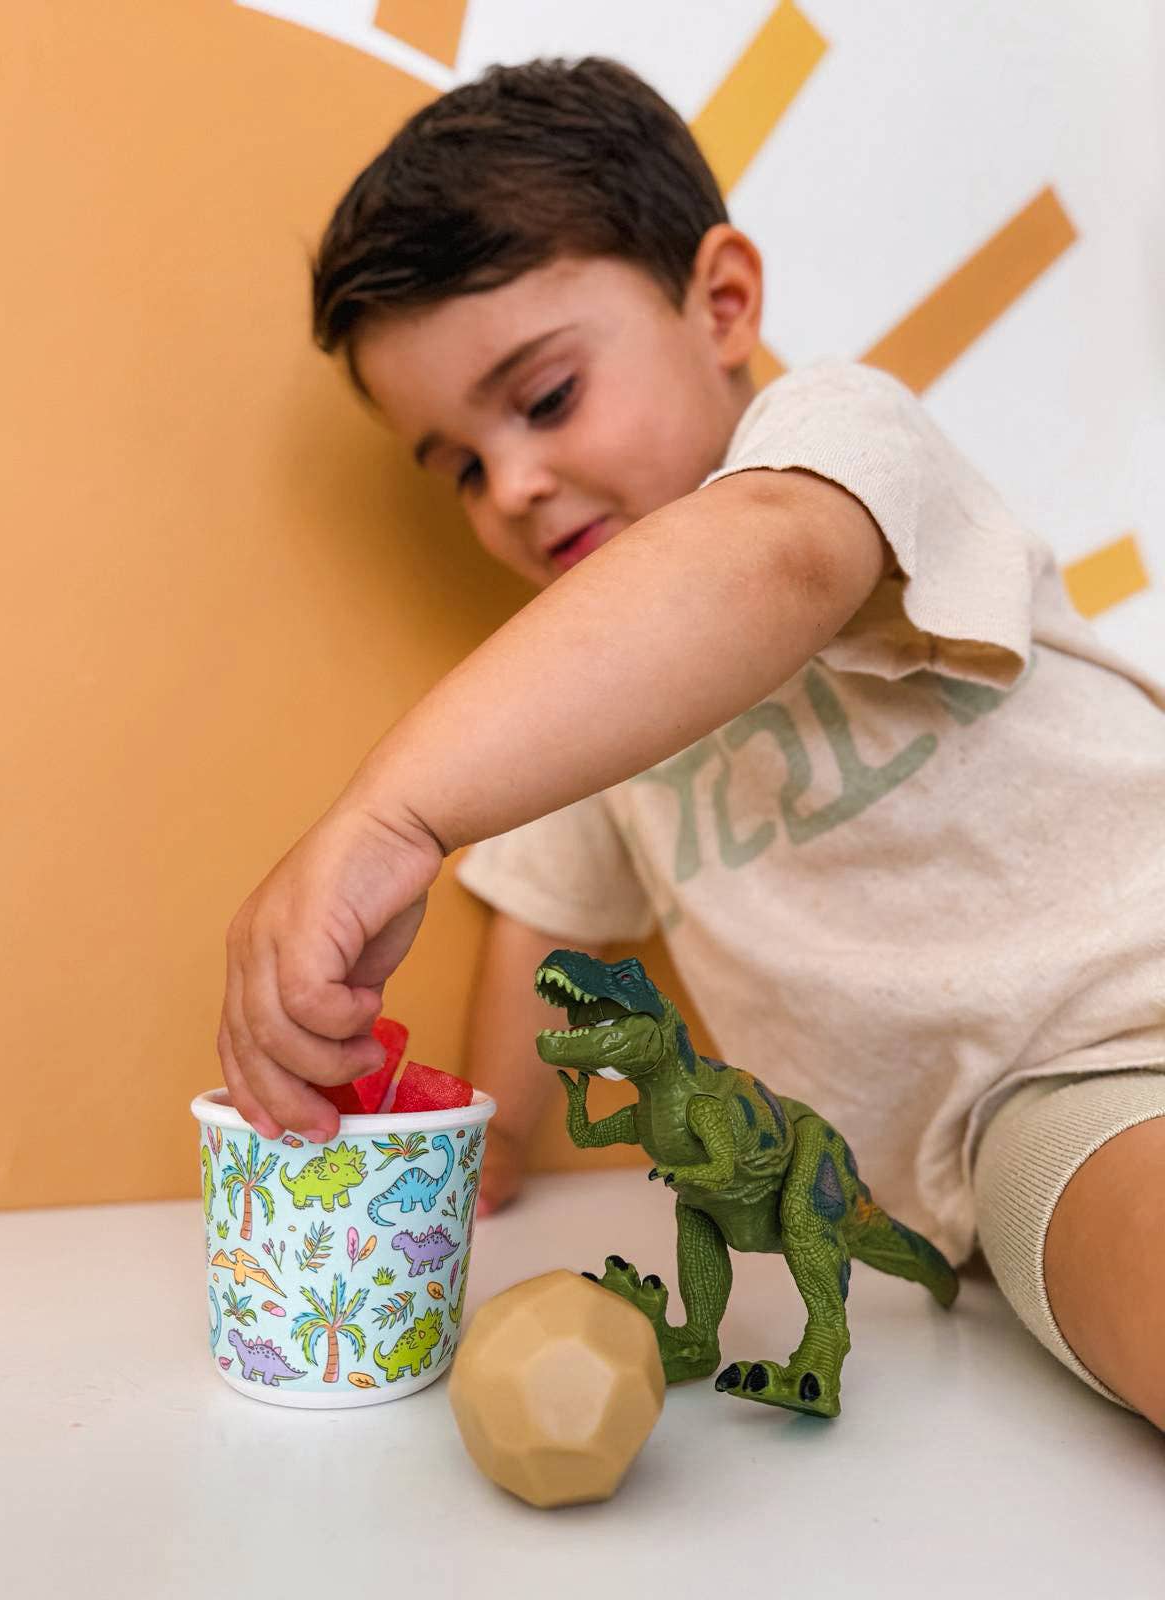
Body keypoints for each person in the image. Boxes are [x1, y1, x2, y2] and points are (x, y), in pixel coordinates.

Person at [218, 57, 1165, 1426]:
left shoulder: (825, 442)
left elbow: (771, 563)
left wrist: (390, 811)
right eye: (464, 469)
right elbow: (543, 929)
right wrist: (463, 1150)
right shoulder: (579, 710)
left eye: (543, 400)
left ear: (720, 302)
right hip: (1044, 1110)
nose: (516, 486)